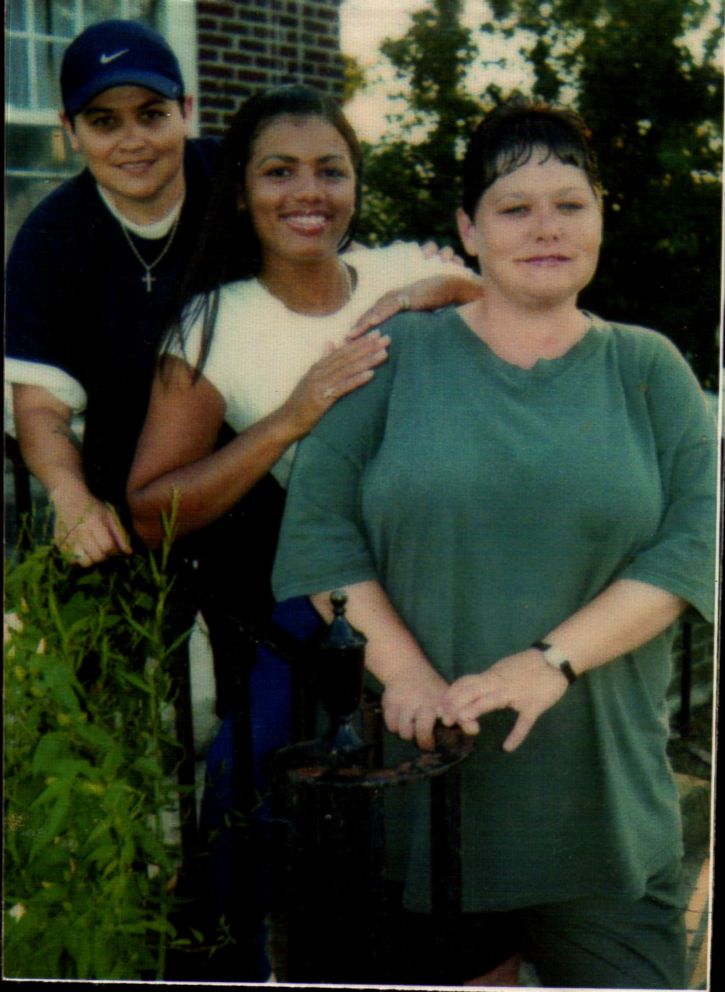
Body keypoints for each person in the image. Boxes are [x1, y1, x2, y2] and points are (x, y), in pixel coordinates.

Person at [271, 100, 717, 988]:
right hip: (426, 800)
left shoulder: (651, 370)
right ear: (467, 230)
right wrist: (403, 676)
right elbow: (322, 539)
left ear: (600, 218)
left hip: (602, 809)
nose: (545, 228)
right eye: (514, 209)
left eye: (570, 203)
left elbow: (691, 548)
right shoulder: (390, 357)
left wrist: (545, 665)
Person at [125, 83, 482, 979]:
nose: (307, 193)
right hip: (326, 601)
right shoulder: (219, 324)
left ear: (358, 185)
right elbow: (149, 508)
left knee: (460, 815)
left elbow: (506, 295)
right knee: (248, 807)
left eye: (330, 170)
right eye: (278, 173)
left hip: (451, 575)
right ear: (242, 192)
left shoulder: (401, 274)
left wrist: (443, 287)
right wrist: (290, 416)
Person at [6, 19, 220, 564]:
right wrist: (70, 495)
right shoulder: (51, 237)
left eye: (151, 114)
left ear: (186, 111)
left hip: (260, 490)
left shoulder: (236, 184)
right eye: (104, 122)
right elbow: (40, 409)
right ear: (70, 130)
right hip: (127, 508)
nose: (133, 141)